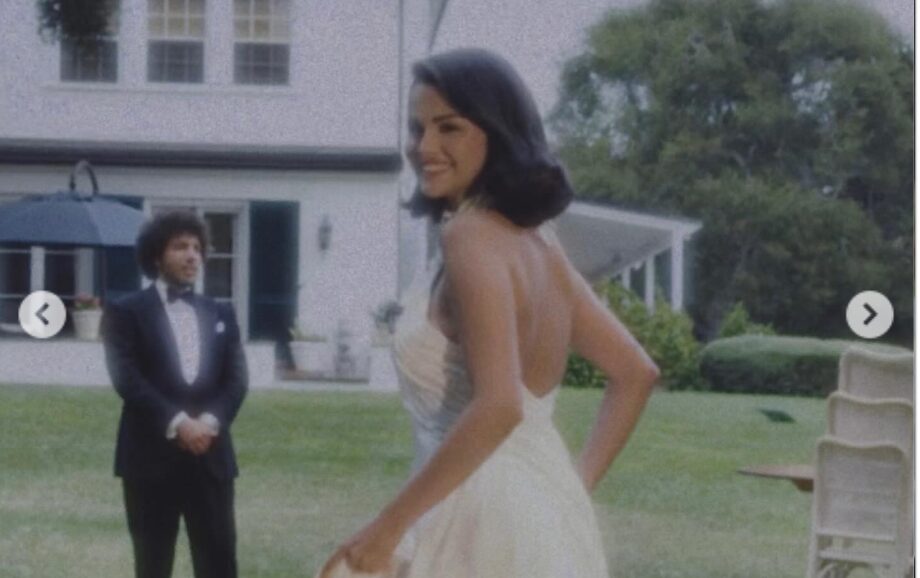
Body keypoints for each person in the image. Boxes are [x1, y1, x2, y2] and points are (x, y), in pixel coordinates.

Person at [318, 48, 659, 578]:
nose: (424, 147)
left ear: (497, 133)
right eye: (416, 129)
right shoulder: (540, 244)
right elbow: (635, 372)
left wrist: (386, 529)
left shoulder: (470, 236)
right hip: (544, 513)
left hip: (479, 519)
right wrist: (572, 490)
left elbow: (500, 405)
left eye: (448, 128)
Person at [102, 211, 248, 578]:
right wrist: (179, 423)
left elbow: (236, 380)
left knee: (219, 563)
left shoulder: (221, 312)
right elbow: (127, 378)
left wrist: (208, 424)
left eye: (197, 248)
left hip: (211, 458)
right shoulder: (125, 312)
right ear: (156, 255)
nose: (192, 255)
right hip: (149, 459)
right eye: (180, 246)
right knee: (152, 565)